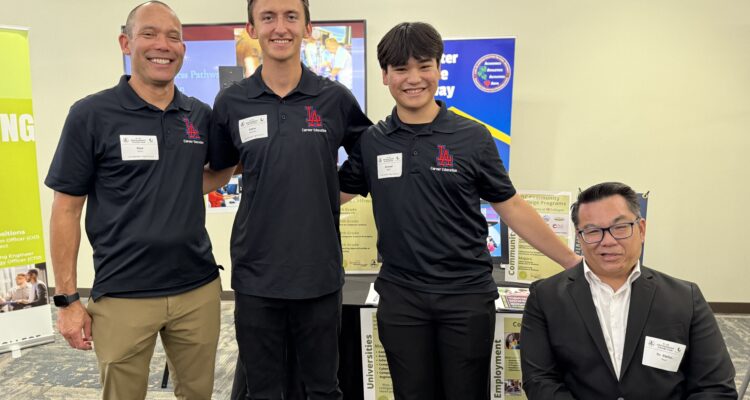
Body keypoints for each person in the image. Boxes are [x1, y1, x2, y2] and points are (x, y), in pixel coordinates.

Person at [338, 22, 581, 400]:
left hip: (466, 296)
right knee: (411, 393)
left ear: (438, 69)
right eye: (401, 69)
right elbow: (330, 196)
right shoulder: (372, 142)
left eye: (424, 66)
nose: (413, 78)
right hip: (401, 296)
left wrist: (572, 262)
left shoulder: (472, 137)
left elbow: (512, 206)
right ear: (385, 76)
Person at [44, 2, 224, 399]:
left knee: (199, 393)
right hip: (123, 295)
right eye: (149, 34)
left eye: (173, 36)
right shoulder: (92, 114)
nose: (162, 45)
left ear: (183, 48)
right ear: (126, 43)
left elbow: (204, 176)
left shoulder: (198, 114)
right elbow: (66, 209)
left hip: (197, 289)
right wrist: (67, 300)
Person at [206, 0, 371, 399]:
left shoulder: (334, 98)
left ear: (307, 28)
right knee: (263, 389)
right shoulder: (231, 102)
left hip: (318, 272)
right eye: (268, 17)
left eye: (291, 16)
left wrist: (333, 192)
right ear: (252, 28)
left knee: (322, 387)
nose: (280, 27)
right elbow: (221, 168)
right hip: (256, 274)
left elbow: (368, 153)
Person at [521, 182, 737, 399]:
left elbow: (715, 387)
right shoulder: (546, 297)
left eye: (620, 227)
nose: (608, 241)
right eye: (593, 231)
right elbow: (540, 382)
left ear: (641, 229)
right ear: (580, 237)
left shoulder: (684, 298)